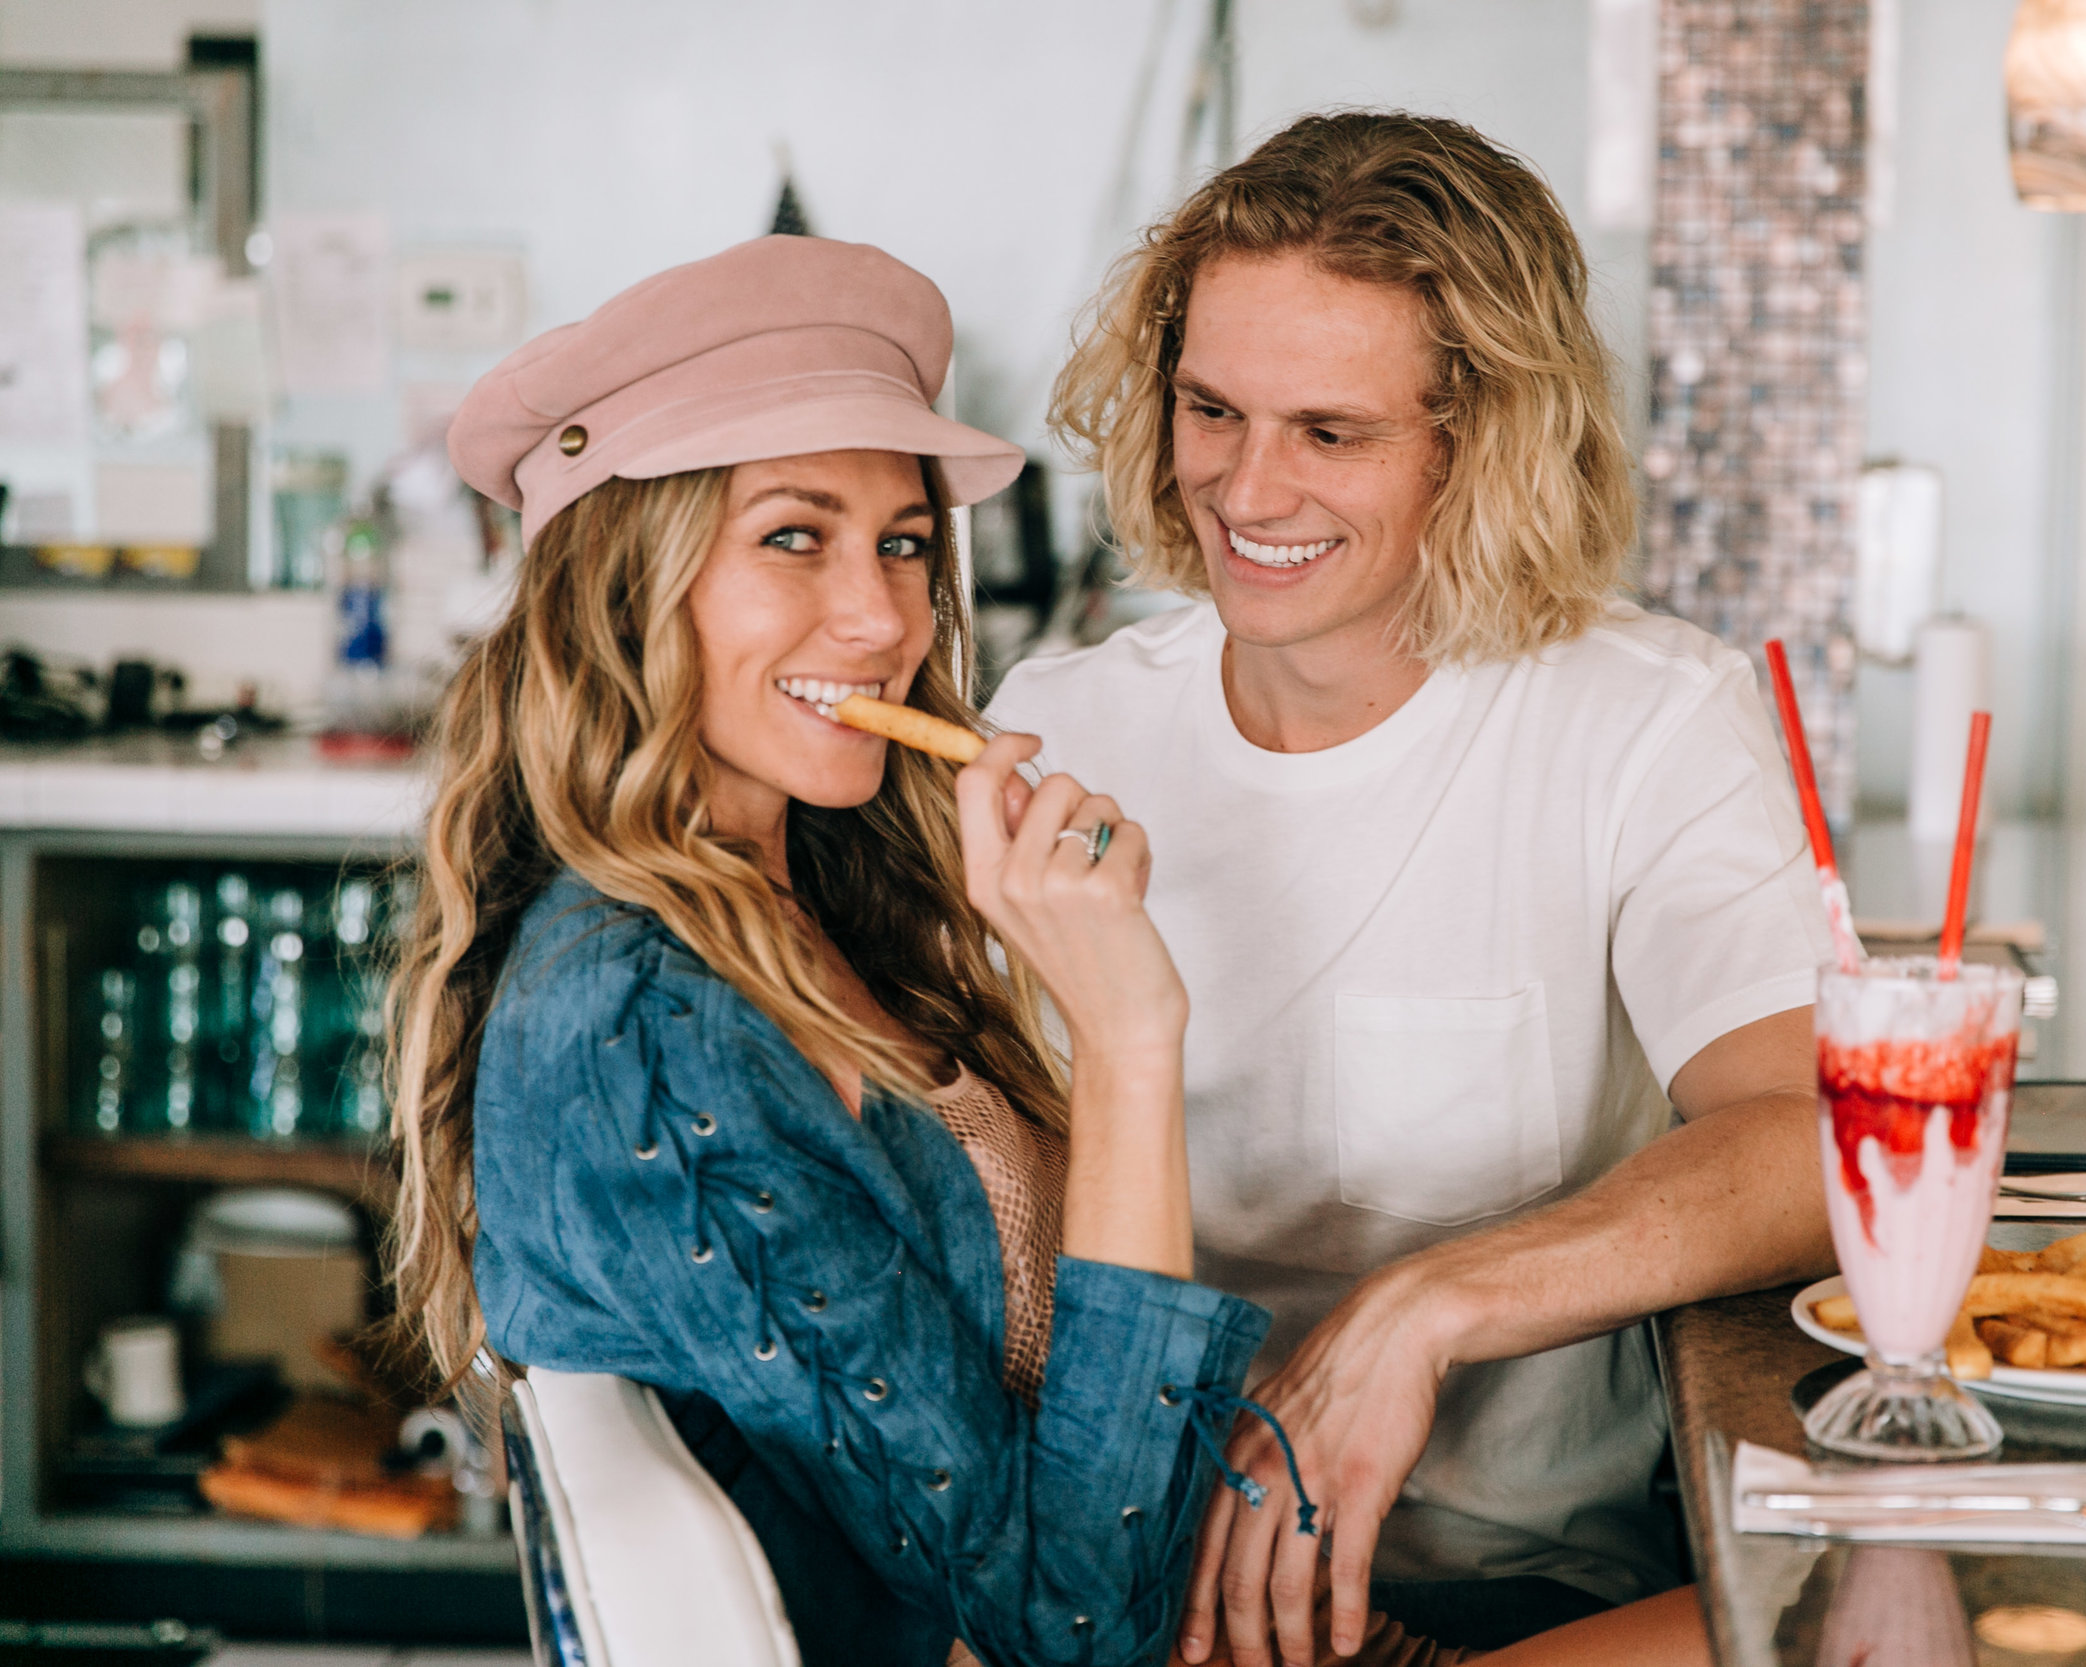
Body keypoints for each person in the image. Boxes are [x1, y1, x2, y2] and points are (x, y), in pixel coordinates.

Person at [394, 235, 1712, 1667]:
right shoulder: (647, 1028)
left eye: (902, 543)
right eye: (794, 536)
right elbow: (1066, 1635)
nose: (883, 618)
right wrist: (1133, 1036)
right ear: (625, 582)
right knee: (1851, 1613)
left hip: (1261, 1626)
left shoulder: (819, 908)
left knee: (1837, 1583)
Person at [993, 112, 1836, 1667]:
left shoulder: (1645, 719)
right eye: (1210, 409)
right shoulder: (1060, 730)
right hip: (1134, 1589)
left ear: (1480, 439)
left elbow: (1813, 1142)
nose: (1247, 487)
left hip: (1519, 1596)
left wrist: (1421, 1313)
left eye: (1332, 431)